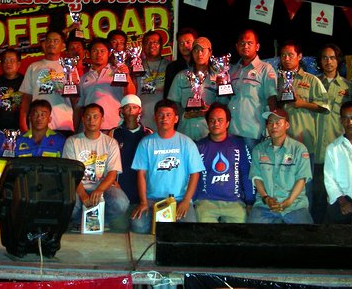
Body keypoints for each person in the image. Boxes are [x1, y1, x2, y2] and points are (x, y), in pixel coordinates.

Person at [130, 99, 205, 234]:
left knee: (190, 229)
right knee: (138, 224)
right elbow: (141, 174)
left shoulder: (187, 143)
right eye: (160, 115)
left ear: (176, 119)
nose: (164, 118)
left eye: (168, 115)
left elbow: (195, 174)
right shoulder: (146, 143)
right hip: (152, 199)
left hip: (178, 199)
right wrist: (143, 202)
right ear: (155, 118)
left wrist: (186, 201)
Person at [63, 103, 129, 231]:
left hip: (102, 187)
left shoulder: (110, 143)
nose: (91, 120)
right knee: (68, 203)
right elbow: (71, 174)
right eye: (88, 117)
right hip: (78, 187)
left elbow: (112, 173)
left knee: (121, 202)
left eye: (95, 117)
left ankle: (102, 221)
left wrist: (99, 190)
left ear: (102, 119)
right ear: (83, 119)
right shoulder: (72, 141)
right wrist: (83, 195)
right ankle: (78, 221)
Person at [248, 108, 313, 224]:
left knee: (308, 232)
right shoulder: (259, 149)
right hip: (265, 206)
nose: (274, 126)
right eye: (270, 123)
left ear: (287, 125)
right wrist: (266, 198)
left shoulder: (299, 149)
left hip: (294, 205)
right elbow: (256, 177)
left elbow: (302, 178)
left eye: (278, 123)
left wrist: (289, 201)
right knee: (251, 230)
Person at [194, 102, 254, 223]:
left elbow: (246, 173)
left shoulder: (239, 144)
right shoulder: (199, 146)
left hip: (234, 202)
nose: (216, 123)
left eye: (220, 120)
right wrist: (192, 200)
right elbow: (193, 177)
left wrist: (250, 201)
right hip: (206, 202)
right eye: (212, 120)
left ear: (227, 123)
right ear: (207, 123)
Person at [314, 43, 352, 223]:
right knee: (316, 195)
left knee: (338, 195)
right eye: (324, 58)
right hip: (316, 149)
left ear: (338, 61)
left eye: (332, 58)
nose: (328, 62)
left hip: (338, 150)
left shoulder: (348, 86)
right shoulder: (312, 83)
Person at [224, 29, 277, 151]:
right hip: (231, 130)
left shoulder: (265, 69)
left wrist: (272, 126)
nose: (245, 46)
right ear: (237, 46)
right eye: (242, 43)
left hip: (252, 132)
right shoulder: (231, 70)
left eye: (249, 43)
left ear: (257, 47)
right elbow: (227, 98)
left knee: (252, 163)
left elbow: (272, 99)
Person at [278, 40, 329, 158]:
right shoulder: (278, 81)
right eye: (283, 55)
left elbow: (324, 108)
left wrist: (302, 104)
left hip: (305, 140)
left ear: (299, 56)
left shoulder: (312, 80)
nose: (286, 59)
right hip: (283, 140)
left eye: (290, 55)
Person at [19, 30, 76, 136]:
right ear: (44, 44)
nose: (52, 43)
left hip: (64, 123)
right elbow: (26, 99)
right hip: (39, 125)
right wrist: (23, 123)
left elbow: (76, 100)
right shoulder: (33, 67)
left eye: (56, 41)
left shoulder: (70, 67)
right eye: (49, 40)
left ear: (63, 46)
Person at [108, 94, 152, 230]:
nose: (131, 110)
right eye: (127, 107)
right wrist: (111, 180)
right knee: (120, 228)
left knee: (139, 227)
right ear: (121, 111)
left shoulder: (148, 134)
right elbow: (107, 161)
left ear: (140, 111)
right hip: (120, 191)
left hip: (141, 193)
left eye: (134, 107)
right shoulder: (113, 133)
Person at [74, 38, 136, 132]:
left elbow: (131, 95)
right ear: (89, 53)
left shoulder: (118, 72)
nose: (99, 54)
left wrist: (126, 75)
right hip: (91, 129)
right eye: (95, 51)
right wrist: (75, 130)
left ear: (109, 53)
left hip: (115, 127)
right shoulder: (83, 78)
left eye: (102, 51)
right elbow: (79, 107)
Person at [168, 37, 217, 141]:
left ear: (210, 52)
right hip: (186, 130)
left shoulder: (218, 77)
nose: (199, 54)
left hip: (209, 131)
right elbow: (173, 103)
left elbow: (224, 102)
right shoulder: (181, 76)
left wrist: (210, 111)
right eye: (196, 50)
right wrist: (184, 114)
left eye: (203, 50)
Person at [134, 30, 169, 132]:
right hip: (142, 117)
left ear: (161, 46)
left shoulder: (170, 66)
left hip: (164, 117)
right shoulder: (136, 66)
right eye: (148, 42)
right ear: (143, 46)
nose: (152, 45)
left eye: (155, 42)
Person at [0, 48, 24, 132]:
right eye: (5, 61)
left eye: (11, 61)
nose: (8, 64)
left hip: (20, 129)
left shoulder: (25, 81)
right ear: (1, 64)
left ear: (19, 64)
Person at [164, 27, 198, 97]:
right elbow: (168, 94)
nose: (185, 46)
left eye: (188, 42)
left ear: (196, 43)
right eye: (181, 43)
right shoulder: (172, 67)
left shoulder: (203, 64)